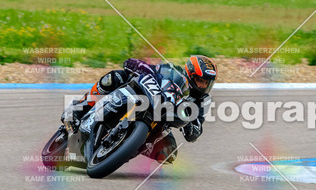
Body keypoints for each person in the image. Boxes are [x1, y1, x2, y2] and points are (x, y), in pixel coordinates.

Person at [63, 55, 217, 163]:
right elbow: (151, 69)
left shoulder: (202, 101)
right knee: (115, 77)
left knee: (168, 153)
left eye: (207, 83)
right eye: (200, 80)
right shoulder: (172, 71)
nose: (203, 86)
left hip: (160, 122)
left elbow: (195, 132)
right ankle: (79, 108)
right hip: (144, 97)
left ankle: (123, 150)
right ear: (190, 74)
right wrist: (139, 66)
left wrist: (188, 123)